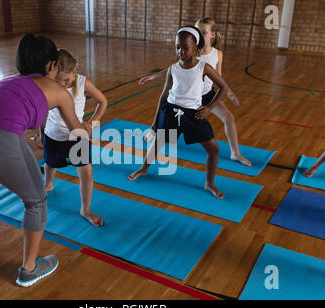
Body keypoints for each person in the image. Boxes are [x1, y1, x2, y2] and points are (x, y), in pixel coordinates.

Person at [0, 34, 92, 287]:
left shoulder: (7, 82)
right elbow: (76, 131)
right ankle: (29, 269)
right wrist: (86, 128)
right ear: (50, 65)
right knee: (35, 201)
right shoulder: (57, 89)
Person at [128, 26, 229, 199]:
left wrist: (210, 108)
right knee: (158, 142)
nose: (180, 51)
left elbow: (223, 87)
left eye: (185, 48)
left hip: (193, 115)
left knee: (214, 149)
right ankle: (144, 168)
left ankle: (209, 183)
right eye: (177, 47)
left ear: (196, 48)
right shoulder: (172, 69)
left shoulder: (204, 67)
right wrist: (154, 122)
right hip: (170, 112)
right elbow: (163, 96)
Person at [140, 17, 251, 167]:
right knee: (167, 109)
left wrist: (230, 94)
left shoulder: (217, 54)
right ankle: (154, 131)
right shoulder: (192, 52)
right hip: (190, 95)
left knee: (229, 118)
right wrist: (154, 76)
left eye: (203, 32)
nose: (200, 34)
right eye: (198, 31)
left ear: (212, 35)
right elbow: (174, 68)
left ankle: (235, 153)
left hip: (207, 95)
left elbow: (219, 77)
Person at [41, 48, 107, 226]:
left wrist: (92, 123)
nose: (62, 84)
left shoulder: (83, 83)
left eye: (67, 80)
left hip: (77, 136)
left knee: (86, 172)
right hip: (53, 135)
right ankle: (48, 184)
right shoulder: (49, 83)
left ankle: (85, 209)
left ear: (74, 73)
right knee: (49, 163)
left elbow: (103, 101)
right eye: (59, 80)